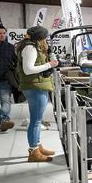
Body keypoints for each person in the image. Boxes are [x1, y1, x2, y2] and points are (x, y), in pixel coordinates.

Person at [16, 26, 58, 162]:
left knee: (37, 119)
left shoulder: (31, 46)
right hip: (34, 86)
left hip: (36, 85)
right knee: (36, 120)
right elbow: (28, 69)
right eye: (45, 37)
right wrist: (50, 65)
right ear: (40, 37)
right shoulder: (30, 48)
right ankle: (34, 151)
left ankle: (37, 146)